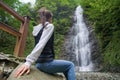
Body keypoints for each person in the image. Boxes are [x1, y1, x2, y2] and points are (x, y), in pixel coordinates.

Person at [14, 7, 76, 80]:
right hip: (46, 63)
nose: (52, 20)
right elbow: (41, 44)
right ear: (49, 18)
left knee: (66, 67)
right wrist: (28, 62)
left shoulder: (37, 29)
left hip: (39, 63)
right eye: (51, 18)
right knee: (70, 65)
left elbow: (38, 44)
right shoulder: (49, 26)